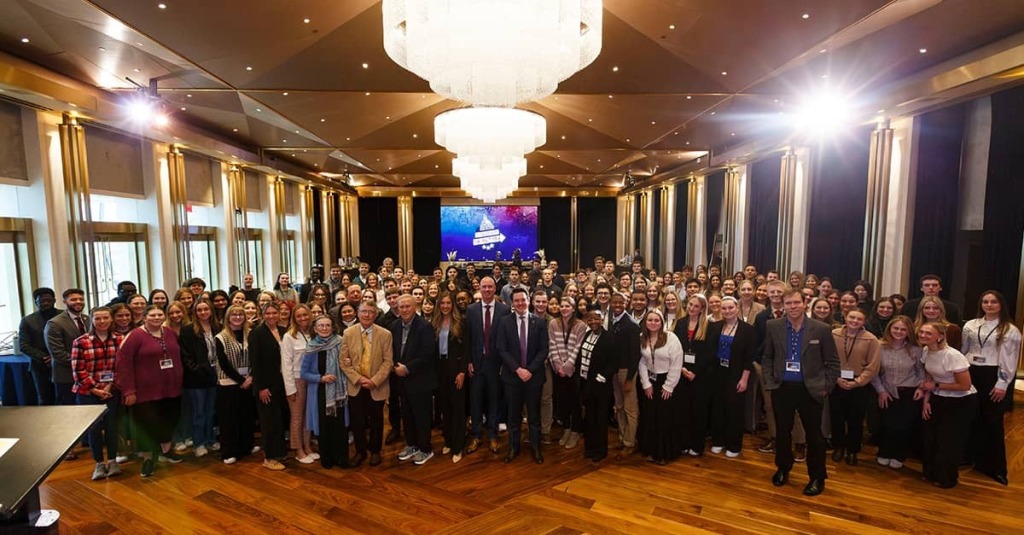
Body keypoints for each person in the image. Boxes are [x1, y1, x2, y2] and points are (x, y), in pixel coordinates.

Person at [762, 289, 840, 496]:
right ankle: (783, 468)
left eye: (796, 302)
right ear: (783, 305)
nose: (793, 307)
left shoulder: (821, 329)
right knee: (782, 433)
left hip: (811, 389)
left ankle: (817, 477)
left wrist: (826, 387)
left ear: (804, 303)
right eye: (788, 303)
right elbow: (767, 356)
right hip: (782, 388)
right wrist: (770, 380)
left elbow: (832, 362)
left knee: (815, 436)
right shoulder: (773, 326)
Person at [115, 305, 184, 477]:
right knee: (146, 425)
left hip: (171, 388)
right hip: (145, 391)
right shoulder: (135, 336)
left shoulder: (169, 332)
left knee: (169, 419)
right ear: (144, 317)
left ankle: (166, 451)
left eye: (160, 314)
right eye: (152, 315)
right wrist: (129, 390)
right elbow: (123, 364)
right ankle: (148, 459)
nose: (156, 317)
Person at [961, 290, 1021, 486]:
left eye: (993, 302)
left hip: (992, 374)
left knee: (992, 420)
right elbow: (964, 350)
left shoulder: (1009, 329)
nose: (989, 305)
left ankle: (995, 467)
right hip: (971, 372)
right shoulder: (971, 324)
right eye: (985, 301)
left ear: (1001, 305)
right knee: (971, 417)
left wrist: (1002, 383)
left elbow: (1009, 360)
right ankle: (970, 456)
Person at [918, 322, 977, 488]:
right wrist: (926, 402)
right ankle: (930, 474)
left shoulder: (953, 355)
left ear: (940, 336)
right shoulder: (926, 351)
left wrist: (936, 386)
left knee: (948, 441)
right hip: (938, 398)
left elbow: (964, 385)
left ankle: (947, 479)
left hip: (960, 402)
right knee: (931, 438)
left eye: (928, 333)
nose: (923, 335)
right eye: (921, 332)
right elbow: (929, 377)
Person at [496, 287, 549, 464]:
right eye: (516, 300)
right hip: (512, 377)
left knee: (534, 416)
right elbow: (501, 349)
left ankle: (535, 448)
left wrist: (529, 370)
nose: (520, 303)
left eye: (523, 299)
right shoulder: (504, 322)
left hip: (534, 378)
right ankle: (513, 447)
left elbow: (544, 350)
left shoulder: (540, 323)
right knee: (513, 416)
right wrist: (518, 369)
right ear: (512, 302)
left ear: (529, 300)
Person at [71, 306, 123, 480]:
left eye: (105, 318)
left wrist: (109, 386)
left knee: (111, 427)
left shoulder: (119, 340)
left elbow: (121, 367)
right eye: (98, 318)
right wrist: (95, 389)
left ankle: (113, 460)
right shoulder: (81, 341)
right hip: (88, 392)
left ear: (111, 319)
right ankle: (99, 464)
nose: (102, 322)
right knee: (94, 429)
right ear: (91, 320)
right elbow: (78, 370)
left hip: (111, 391)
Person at [340, 301, 393, 467]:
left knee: (377, 420)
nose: (367, 315)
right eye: (364, 311)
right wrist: (358, 379)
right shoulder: (348, 333)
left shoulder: (385, 334)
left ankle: (375, 451)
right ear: (358, 312)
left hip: (376, 385)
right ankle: (360, 451)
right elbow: (343, 361)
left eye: (371, 312)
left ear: (375, 314)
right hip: (356, 385)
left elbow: (388, 362)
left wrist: (374, 381)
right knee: (358, 421)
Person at [390, 295, 438, 465]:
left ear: (414, 306)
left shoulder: (425, 326)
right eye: (401, 307)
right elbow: (392, 350)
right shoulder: (395, 326)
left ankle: (426, 448)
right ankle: (412, 445)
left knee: (421, 416)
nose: (404, 309)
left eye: (407, 306)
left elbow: (428, 354)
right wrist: (396, 366)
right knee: (407, 415)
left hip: (420, 379)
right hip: (401, 379)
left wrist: (407, 368)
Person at [870, 315, 923, 469]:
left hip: (909, 392)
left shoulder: (916, 349)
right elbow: (874, 372)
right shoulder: (879, 346)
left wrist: (920, 388)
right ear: (890, 329)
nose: (899, 331)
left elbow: (921, 372)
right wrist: (881, 391)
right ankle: (884, 452)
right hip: (887, 391)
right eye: (896, 328)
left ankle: (899, 454)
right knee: (887, 424)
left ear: (909, 331)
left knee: (904, 426)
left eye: (903, 329)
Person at [829, 308, 880, 466]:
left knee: (855, 420)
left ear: (864, 321)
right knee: (836, 418)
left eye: (859, 319)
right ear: (845, 317)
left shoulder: (871, 339)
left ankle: (852, 450)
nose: (855, 321)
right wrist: (836, 378)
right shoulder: (834, 334)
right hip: (836, 382)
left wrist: (857, 383)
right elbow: (827, 358)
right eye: (852, 317)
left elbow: (873, 366)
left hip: (859, 384)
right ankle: (838, 447)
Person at [466, 276, 511, 454]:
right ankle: (476, 435)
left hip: (496, 364)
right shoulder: (471, 310)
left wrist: (504, 364)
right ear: (480, 289)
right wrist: (468, 360)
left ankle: (492, 435)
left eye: (490, 287)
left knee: (494, 400)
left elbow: (507, 339)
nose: (486, 290)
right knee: (475, 400)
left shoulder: (504, 310)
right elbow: (468, 338)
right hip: (476, 363)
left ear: (495, 289)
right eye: (484, 287)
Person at [708, 297, 755, 458]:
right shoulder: (714, 327)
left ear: (737, 308)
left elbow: (750, 357)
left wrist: (744, 378)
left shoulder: (747, 329)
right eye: (724, 308)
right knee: (718, 408)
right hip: (717, 373)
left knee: (734, 409)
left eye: (730, 308)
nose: (727, 311)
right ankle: (718, 441)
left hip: (736, 372)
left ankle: (734, 445)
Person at [301, 316, 349, 469]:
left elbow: (348, 362)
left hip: (339, 392)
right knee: (324, 425)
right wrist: (321, 378)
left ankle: (341, 457)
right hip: (320, 392)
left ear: (332, 327)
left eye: (327, 325)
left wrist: (348, 362)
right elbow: (304, 373)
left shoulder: (341, 342)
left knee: (339, 425)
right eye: (321, 325)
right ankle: (327, 458)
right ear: (315, 329)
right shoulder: (311, 347)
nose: (324, 328)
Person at [637, 310, 684, 465]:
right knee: (651, 417)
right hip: (651, 381)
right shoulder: (643, 338)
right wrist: (646, 383)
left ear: (662, 322)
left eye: (656, 320)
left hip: (667, 381)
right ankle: (651, 450)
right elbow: (643, 361)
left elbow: (676, 363)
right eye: (650, 320)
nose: (653, 323)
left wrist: (668, 386)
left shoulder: (671, 338)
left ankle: (664, 453)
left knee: (665, 418)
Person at [214, 305, 257, 465]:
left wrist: (251, 377)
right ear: (228, 317)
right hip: (228, 383)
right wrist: (241, 380)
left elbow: (256, 357)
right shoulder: (221, 337)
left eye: (240, 314)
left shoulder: (250, 334)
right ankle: (229, 452)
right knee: (229, 419)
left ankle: (246, 446)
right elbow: (223, 363)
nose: (238, 317)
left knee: (246, 416)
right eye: (234, 314)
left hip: (248, 381)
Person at [249, 301, 289, 471]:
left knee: (279, 419)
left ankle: (279, 452)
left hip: (281, 383)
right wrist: (261, 387)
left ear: (279, 314)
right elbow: (255, 362)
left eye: (274, 313)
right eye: (268, 313)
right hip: (266, 385)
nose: (271, 316)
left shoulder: (282, 331)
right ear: (262, 314)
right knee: (269, 422)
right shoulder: (257, 333)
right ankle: (269, 457)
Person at [178, 298, 219, 458]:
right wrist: (196, 369)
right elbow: (185, 355)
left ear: (211, 311)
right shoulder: (188, 330)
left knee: (211, 411)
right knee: (199, 413)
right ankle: (199, 443)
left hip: (215, 376)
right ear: (195, 312)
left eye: (206, 309)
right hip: (196, 379)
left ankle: (210, 439)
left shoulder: (217, 327)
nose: (203, 312)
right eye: (199, 310)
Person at [673, 294, 713, 456]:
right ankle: (683, 442)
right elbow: (675, 347)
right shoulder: (680, 323)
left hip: (700, 376)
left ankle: (696, 445)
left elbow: (709, 353)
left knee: (698, 411)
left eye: (696, 306)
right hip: (681, 372)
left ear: (702, 309)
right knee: (683, 410)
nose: (692, 308)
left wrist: (695, 372)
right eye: (690, 304)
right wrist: (682, 369)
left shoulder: (709, 326)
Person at [430, 294, 468, 463]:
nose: (445, 306)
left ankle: (458, 446)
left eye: (448, 303)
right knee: (445, 406)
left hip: (456, 369)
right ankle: (448, 440)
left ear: (453, 305)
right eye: (442, 303)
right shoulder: (435, 323)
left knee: (458, 408)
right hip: (440, 369)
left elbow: (466, 350)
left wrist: (462, 372)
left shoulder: (461, 323)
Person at [548, 296, 587, 449]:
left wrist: (567, 367)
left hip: (573, 370)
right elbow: (552, 345)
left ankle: (575, 431)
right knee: (562, 401)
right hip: (558, 370)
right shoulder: (553, 323)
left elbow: (578, 348)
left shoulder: (580, 325)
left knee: (575, 402)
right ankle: (567, 428)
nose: (564, 308)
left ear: (573, 308)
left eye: (567, 306)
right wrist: (559, 366)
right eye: (562, 305)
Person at [578, 310, 616, 462]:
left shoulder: (609, 338)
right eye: (590, 319)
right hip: (586, 382)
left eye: (596, 319)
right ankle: (589, 448)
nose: (593, 321)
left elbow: (614, 362)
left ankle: (600, 450)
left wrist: (602, 377)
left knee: (600, 418)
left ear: (602, 320)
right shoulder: (587, 335)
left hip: (600, 385)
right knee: (589, 417)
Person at [45, 288, 91, 413]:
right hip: (66, 376)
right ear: (65, 302)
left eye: (81, 299)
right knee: (67, 412)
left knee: (86, 412)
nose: (78, 302)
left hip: (87, 376)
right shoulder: (55, 323)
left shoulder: (88, 320)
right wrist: (82, 364)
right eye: (73, 299)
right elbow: (57, 353)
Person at [281, 304, 316, 464]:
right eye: (299, 316)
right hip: (296, 380)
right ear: (294, 319)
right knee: (297, 417)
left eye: (305, 315)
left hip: (311, 379)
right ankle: (298, 449)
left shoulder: (312, 333)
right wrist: (290, 389)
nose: (303, 318)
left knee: (308, 415)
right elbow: (286, 365)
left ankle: (307, 445)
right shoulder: (289, 336)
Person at [608, 292, 641, 459]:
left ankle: (630, 442)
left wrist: (629, 378)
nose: (617, 305)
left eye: (620, 302)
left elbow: (636, 355)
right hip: (614, 371)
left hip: (626, 371)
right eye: (614, 302)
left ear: (626, 304)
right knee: (619, 407)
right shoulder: (611, 320)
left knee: (630, 409)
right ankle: (622, 437)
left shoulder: (632, 325)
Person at [19, 287, 59, 405]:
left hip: (64, 363)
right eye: (41, 301)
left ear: (54, 300)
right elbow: (23, 345)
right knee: (45, 398)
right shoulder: (27, 321)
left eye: (48, 300)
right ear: (36, 302)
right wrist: (44, 357)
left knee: (65, 397)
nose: (45, 303)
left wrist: (56, 357)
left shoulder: (64, 316)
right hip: (40, 365)